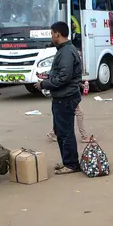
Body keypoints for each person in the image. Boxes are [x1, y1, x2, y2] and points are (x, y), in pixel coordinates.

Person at [35, 22, 83, 175]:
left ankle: (71, 164)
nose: (51, 36)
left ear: (58, 34)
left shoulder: (67, 51)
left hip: (66, 97)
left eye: (52, 33)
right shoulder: (63, 50)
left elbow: (64, 77)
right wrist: (48, 77)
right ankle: (67, 162)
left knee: (66, 132)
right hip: (62, 97)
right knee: (60, 132)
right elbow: (61, 73)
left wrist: (44, 83)